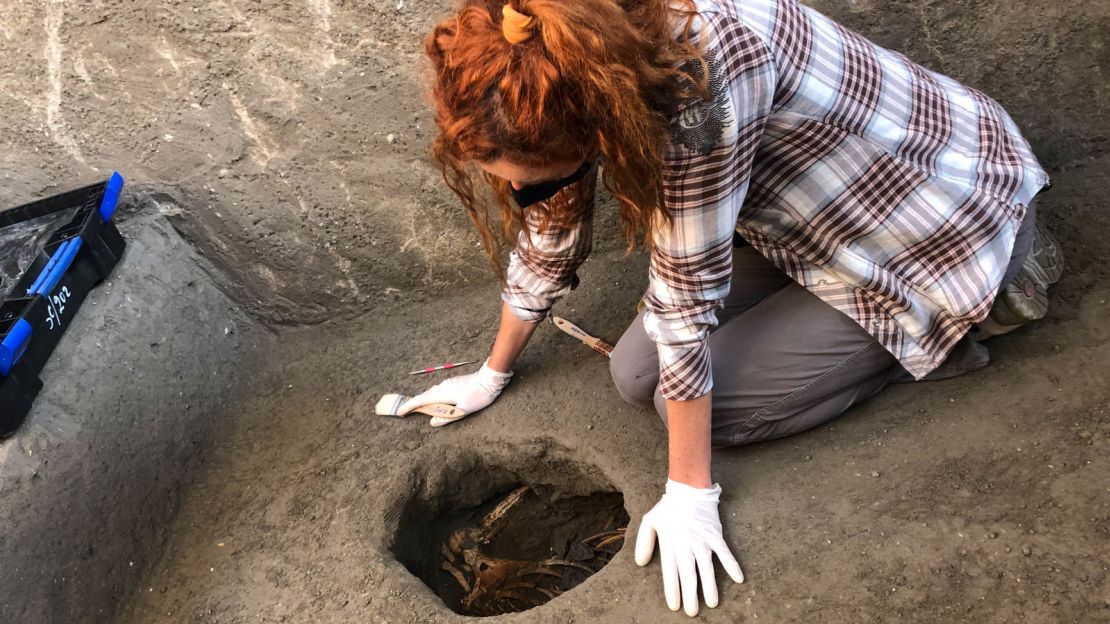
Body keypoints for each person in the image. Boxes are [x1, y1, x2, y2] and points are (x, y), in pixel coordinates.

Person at [402, 0, 1062, 616]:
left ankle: (956, 322)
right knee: (634, 374)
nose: (513, 189)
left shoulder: (701, 92)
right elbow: (553, 223)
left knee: (689, 408)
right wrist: (493, 373)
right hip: (803, 219)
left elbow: (686, 299)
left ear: (590, 117)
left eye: (525, 174)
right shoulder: (569, 54)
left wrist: (691, 491)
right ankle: (824, 323)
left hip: (929, 226)